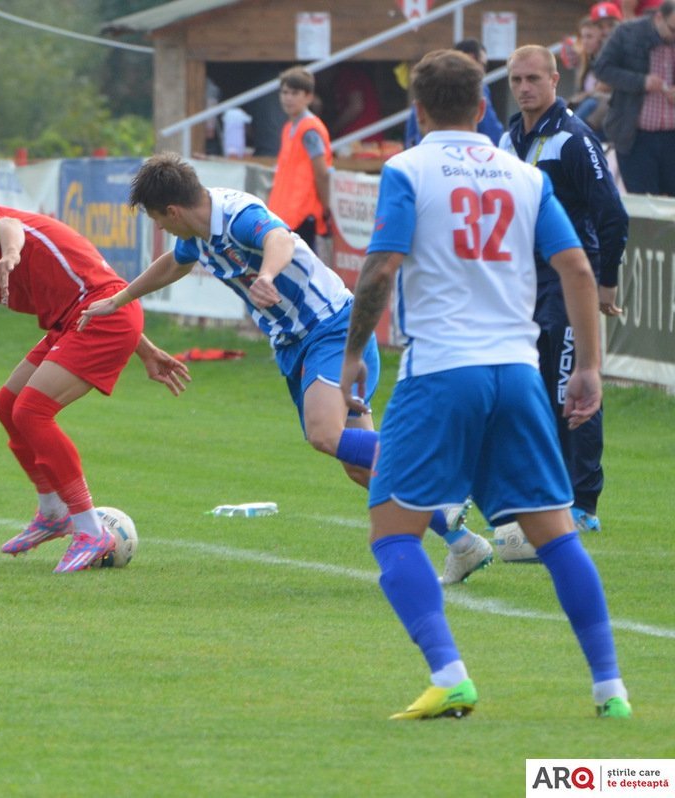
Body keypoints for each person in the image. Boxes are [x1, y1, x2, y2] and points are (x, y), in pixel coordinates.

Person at [340, 49, 631, 719]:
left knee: (392, 534)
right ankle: (610, 690)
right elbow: (579, 272)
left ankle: (450, 674)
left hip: (441, 369)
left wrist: (355, 353)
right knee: (557, 536)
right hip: (518, 373)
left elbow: (382, 268)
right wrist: (588, 366)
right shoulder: (524, 176)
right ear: (483, 107)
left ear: (417, 112)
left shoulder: (407, 169)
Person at [80, 153, 492, 585]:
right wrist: (120, 299)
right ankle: (462, 544)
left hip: (333, 328)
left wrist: (268, 276)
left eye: (157, 220)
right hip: (296, 345)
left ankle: (438, 485)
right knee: (359, 465)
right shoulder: (196, 234)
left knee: (324, 433)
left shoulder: (237, 215)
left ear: (173, 211)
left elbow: (280, 237)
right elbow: (174, 264)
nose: (160, 229)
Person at [0, 208, 190, 573]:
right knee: (8, 405)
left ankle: (90, 529)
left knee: (32, 411)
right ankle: (53, 512)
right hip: (85, 317)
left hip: (99, 317)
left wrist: (12, 252)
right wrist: (144, 350)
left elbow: (9, 227)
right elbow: (87, 290)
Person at [501, 44, 629, 535]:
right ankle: (543, 491)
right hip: (524, 281)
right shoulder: (510, 138)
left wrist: (604, 280)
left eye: (533, 79)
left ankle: (583, 502)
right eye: (515, 80)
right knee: (530, 387)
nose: (524, 89)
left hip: (569, 279)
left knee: (573, 385)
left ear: (556, 80)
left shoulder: (574, 139)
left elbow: (612, 214)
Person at [594, 0, 675, 196]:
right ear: (658, 18)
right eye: (673, 30)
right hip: (636, 137)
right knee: (646, 204)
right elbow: (602, 68)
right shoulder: (627, 33)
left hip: (671, 137)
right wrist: (641, 82)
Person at [267, 66, 333, 256]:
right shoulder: (289, 127)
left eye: (295, 93)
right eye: (285, 92)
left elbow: (321, 173)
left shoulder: (309, 129)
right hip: (286, 214)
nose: (288, 98)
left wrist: (325, 208)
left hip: (304, 214)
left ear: (308, 97)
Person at [404, 39, 505, 147]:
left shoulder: (428, 84)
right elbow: (493, 133)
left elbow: (411, 137)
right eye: (483, 65)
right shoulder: (478, 88)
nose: (484, 72)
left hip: (424, 156)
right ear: (470, 59)